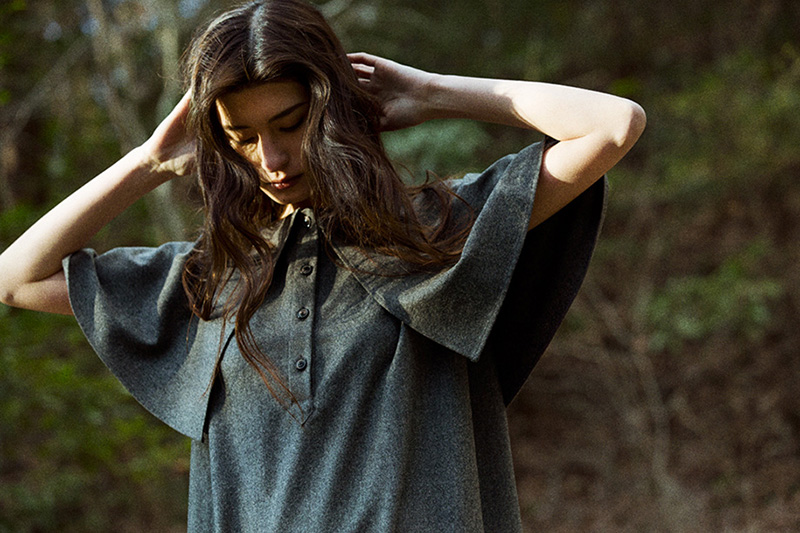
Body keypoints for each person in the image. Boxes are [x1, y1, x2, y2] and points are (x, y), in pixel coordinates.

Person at [0, 0, 645, 530]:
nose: (272, 159)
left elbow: (614, 125)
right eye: (243, 138)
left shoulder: (436, 229)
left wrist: (431, 92)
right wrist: (148, 162)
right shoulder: (211, 279)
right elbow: (16, 277)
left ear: (332, 109)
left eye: (291, 123)